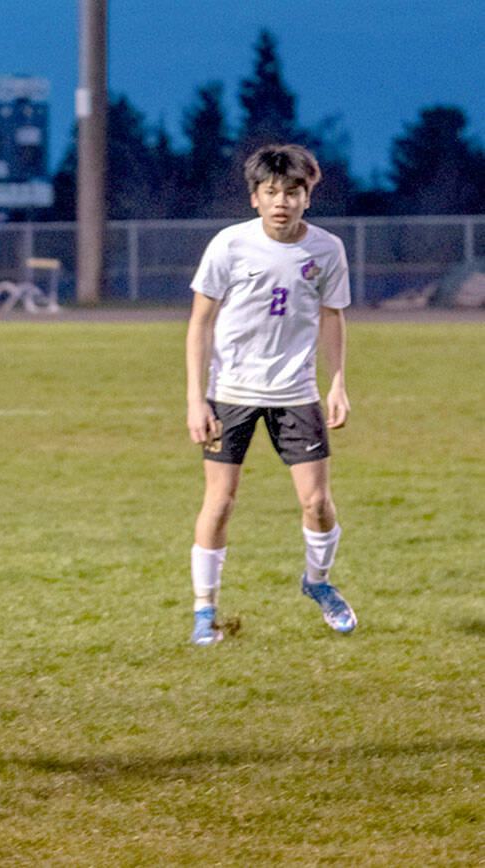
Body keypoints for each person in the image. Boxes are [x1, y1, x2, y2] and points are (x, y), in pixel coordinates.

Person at [184, 143, 356, 646]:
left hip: (295, 392)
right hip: (231, 391)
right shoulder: (228, 246)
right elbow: (200, 323)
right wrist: (196, 399)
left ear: (308, 195)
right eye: (271, 191)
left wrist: (338, 382)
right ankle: (203, 611)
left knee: (318, 503)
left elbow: (332, 316)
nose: (282, 201)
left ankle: (318, 583)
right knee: (219, 502)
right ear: (255, 198)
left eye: (293, 191)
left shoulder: (327, 250)